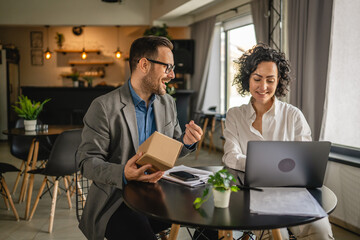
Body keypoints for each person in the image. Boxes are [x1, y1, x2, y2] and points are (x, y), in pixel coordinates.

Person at [76, 36, 203, 240]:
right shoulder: (103, 107)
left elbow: (170, 150)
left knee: (209, 213)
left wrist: (187, 142)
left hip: (159, 193)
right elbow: (86, 162)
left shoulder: (167, 103)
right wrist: (124, 173)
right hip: (117, 201)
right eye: (167, 67)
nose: (172, 75)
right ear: (144, 64)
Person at [222, 44, 334, 240]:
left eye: (270, 80)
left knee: (321, 231)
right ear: (247, 78)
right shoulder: (235, 115)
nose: (263, 87)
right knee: (274, 235)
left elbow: (306, 161)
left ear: (278, 81)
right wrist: (270, 164)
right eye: (257, 79)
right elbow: (230, 157)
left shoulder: (293, 115)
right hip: (254, 194)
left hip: (293, 193)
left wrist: (258, 163)